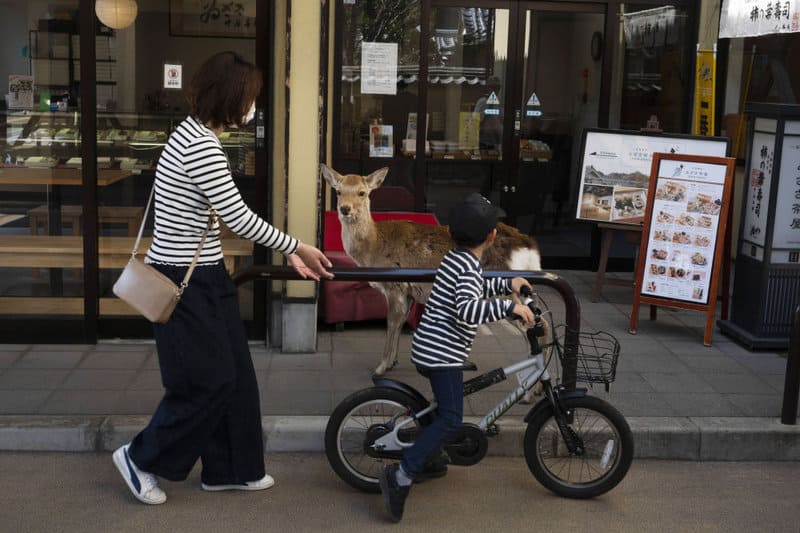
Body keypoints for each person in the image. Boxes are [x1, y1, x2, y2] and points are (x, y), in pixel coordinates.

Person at [112, 51, 333, 505]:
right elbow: (239, 216)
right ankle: (140, 458)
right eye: (250, 98)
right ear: (232, 98)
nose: (253, 107)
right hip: (181, 281)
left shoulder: (194, 134)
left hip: (206, 274)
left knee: (237, 377)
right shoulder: (201, 145)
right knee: (206, 381)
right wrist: (297, 247)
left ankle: (232, 469)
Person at [378, 193, 535, 522]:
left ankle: (431, 457)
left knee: (443, 410)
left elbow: (474, 291)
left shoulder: (457, 259)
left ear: (450, 233)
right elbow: (468, 309)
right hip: (441, 355)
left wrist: (510, 284)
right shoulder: (466, 264)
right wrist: (511, 306)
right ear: (492, 236)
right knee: (451, 418)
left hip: (433, 347)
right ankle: (401, 475)